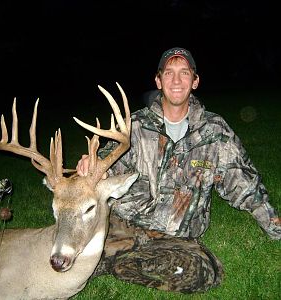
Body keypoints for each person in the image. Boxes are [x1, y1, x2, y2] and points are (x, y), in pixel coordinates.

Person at [76, 47, 281, 293]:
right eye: (169, 73)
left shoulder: (215, 132)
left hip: (175, 239)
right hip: (125, 226)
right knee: (70, 251)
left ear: (195, 81)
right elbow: (107, 166)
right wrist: (92, 164)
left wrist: (275, 226)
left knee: (203, 275)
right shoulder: (135, 127)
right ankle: (109, 256)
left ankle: (111, 263)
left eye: (184, 73)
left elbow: (245, 186)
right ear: (158, 80)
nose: (176, 80)